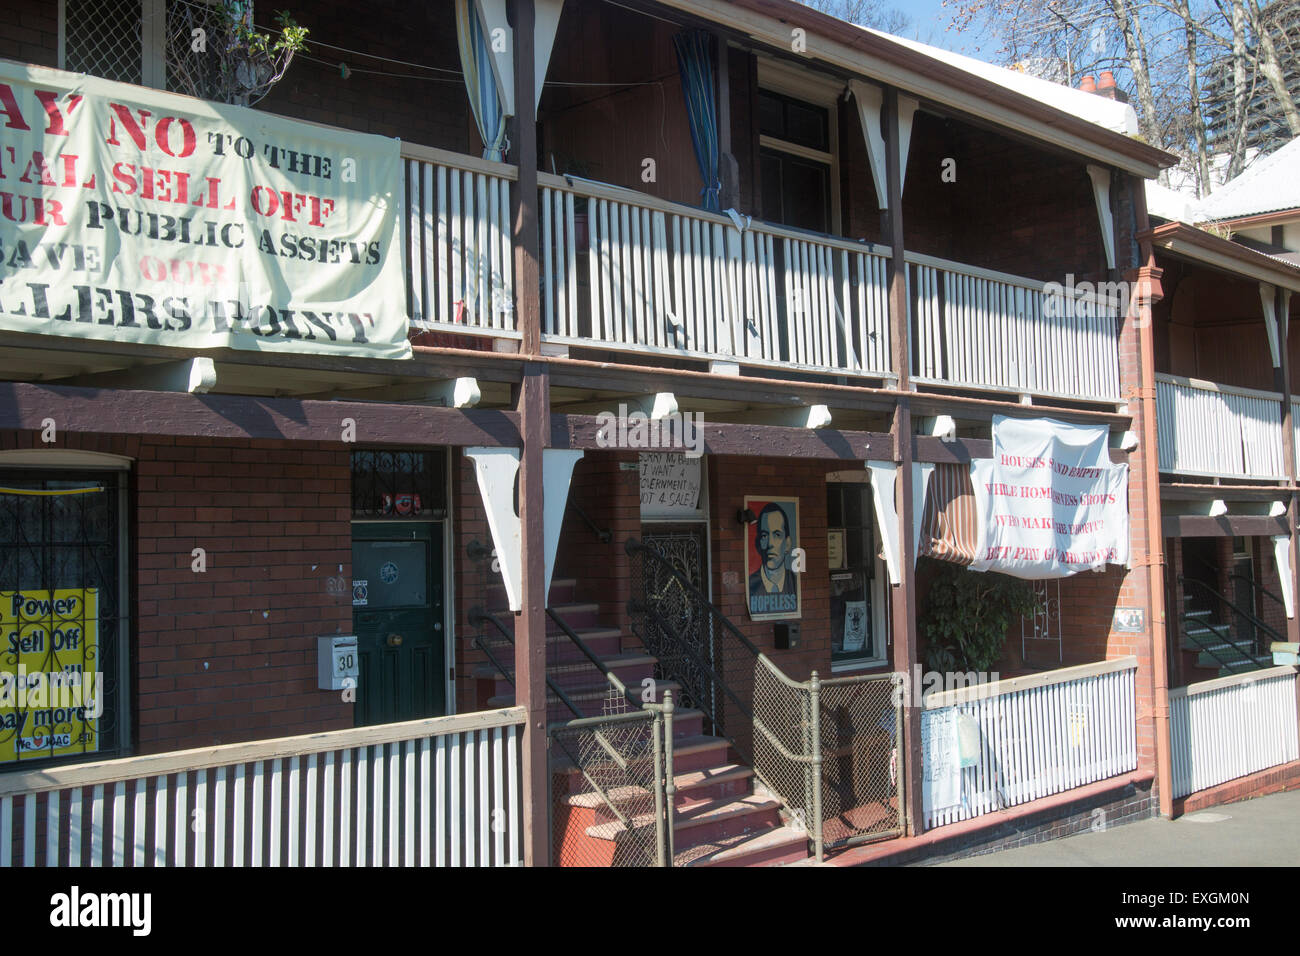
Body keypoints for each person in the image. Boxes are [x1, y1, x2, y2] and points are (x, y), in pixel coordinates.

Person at [748, 502, 797, 615]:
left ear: (788, 543)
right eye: (764, 536)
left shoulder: (795, 584)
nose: (770, 543)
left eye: (777, 535)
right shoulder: (751, 583)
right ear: (758, 543)